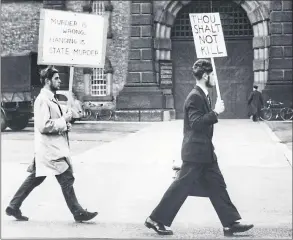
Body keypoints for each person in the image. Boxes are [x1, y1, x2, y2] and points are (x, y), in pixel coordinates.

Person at [144, 59, 254, 236]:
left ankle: (230, 223)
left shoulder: (203, 94)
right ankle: (155, 219)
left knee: (217, 185)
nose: (215, 80)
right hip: (195, 153)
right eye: (212, 76)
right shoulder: (195, 96)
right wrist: (215, 112)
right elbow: (196, 123)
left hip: (204, 152)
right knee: (180, 188)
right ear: (205, 76)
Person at [5, 66, 98, 222]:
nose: (59, 80)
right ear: (47, 81)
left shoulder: (51, 98)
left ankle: (13, 206)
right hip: (50, 150)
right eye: (56, 78)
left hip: (48, 149)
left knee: (36, 177)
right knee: (66, 177)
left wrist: (65, 125)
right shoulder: (43, 100)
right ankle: (78, 212)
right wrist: (63, 121)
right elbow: (43, 126)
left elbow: (54, 122)